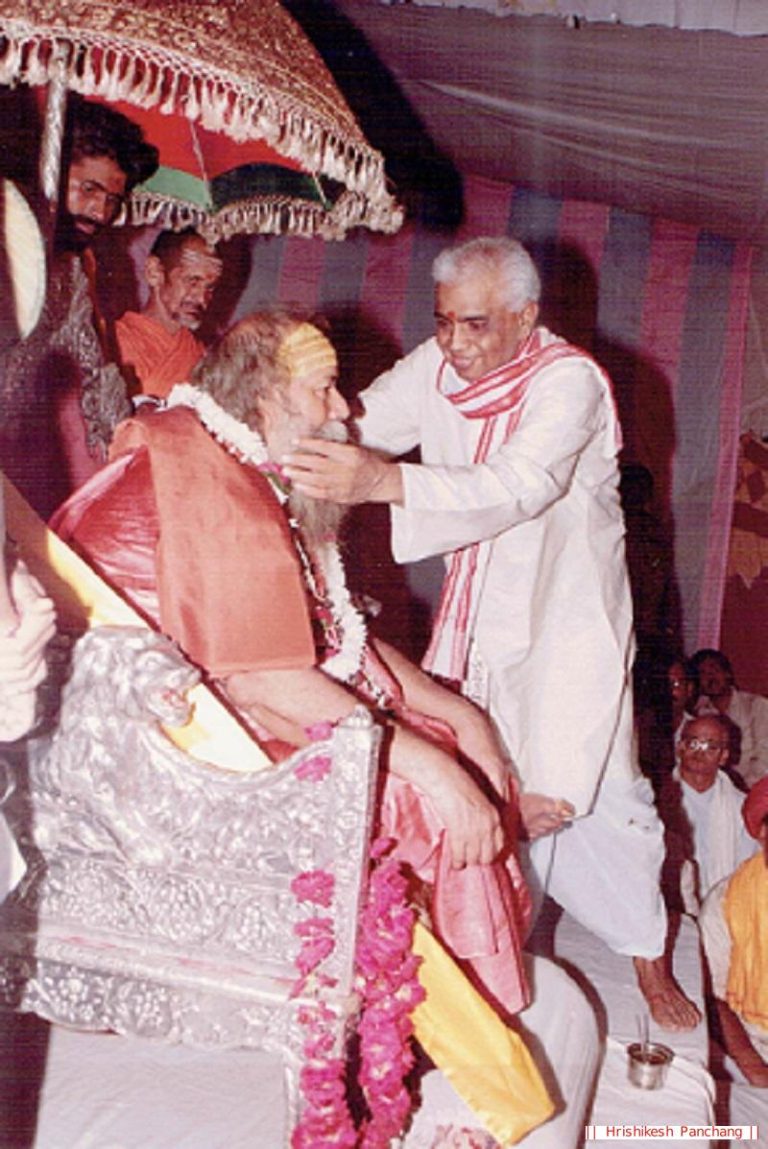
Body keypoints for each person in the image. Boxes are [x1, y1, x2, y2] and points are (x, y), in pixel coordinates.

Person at [50, 311, 536, 1020]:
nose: (344, 410)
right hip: (157, 750)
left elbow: (332, 632)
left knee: (444, 736)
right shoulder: (212, 486)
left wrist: (460, 713)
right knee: (425, 793)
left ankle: (439, 998)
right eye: (324, 389)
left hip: (214, 706)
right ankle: (435, 1019)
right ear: (267, 398)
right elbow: (263, 681)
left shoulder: (235, 462)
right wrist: (437, 771)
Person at [281, 235, 700, 1030]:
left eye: (475, 324)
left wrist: (384, 481)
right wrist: (275, 436)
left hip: (568, 613)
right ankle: (482, 952)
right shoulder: (438, 367)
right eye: (443, 321)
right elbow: (357, 426)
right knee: (476, 774)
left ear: (525, 317)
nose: (455, 342)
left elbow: (520, 484)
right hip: (475, 612)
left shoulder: (570, 380)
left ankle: (650, 956)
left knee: (603, 794)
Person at [0, 95, 158, 516]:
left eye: (113, 200)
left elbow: (93, 374)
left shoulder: (72, 271)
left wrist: (130, 450)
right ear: (48, 168)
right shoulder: (8, 236)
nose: (100, 211)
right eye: (89, 188)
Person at [699, 776, 768, 1087]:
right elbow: (712, 996)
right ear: (762, 833)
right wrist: (754, 1067)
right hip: (747, 1045)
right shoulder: (725, 901)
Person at [658, 715, 758, 916]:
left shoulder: (741, 807)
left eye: (710, 746)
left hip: (727, 910)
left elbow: (748, 870)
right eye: (693, 743)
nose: (700, 752)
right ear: (680, 747)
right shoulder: (656, 801)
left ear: (724, 756)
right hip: (672, 911)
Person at [115, 229, 223, 401]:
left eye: (210, 288)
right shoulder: (116, 341)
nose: (202, 299)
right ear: (154, 273)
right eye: (192, 281)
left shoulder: (201, 354)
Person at [691, 648, 768, 789]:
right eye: (703, 673)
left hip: (751, 788)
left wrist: (739, 788)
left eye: (715, 670)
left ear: (728, 673)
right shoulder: (697, 714)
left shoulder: (756, 706)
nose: (711, 677)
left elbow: (765, 757)